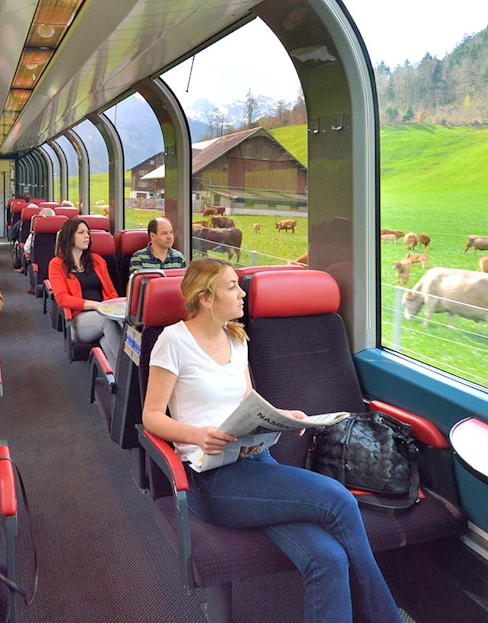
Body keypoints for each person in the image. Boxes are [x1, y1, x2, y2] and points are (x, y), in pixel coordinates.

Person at [141, 258, 401, 623]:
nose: (242, 292)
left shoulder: (237, 338)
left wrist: (280, 416)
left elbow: (247, 403)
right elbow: (151, 416)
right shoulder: (173, 341)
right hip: (212, 477)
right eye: (232, 286)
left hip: (256, 463)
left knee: (327, 558)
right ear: (204, 297)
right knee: (338, 500)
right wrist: (197, 435)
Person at [48, 217, 121, 362]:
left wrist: (113, 308)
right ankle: (131, 369)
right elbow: (62, 298)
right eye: (81, 232)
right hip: (79, 319)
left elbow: (111, 292)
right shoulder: (56, 264)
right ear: (69, 237)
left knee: (108, 340)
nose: (87, 236)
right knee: (108, 321)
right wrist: (96, 305)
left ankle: (118, 380)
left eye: (88, 232)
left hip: (103, 312)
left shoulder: (97, 261)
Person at [18, 206, 56, 273]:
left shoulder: (35, 233)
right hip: (56, 266)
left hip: (40, 266)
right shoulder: (60, 233)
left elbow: (26, 248)